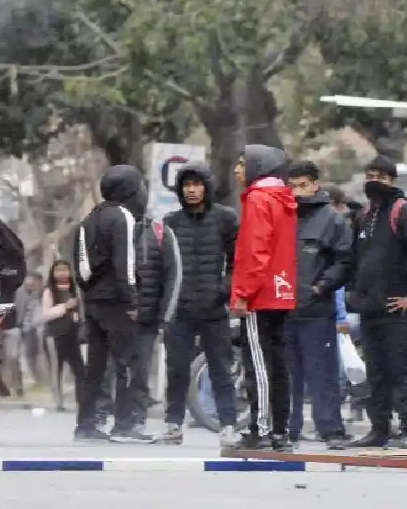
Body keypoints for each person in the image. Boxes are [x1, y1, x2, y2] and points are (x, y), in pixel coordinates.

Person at [346, 155, 407, 448]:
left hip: (399, 313)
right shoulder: (364, 217)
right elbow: (355, 261)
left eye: (382, 177)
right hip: (371, 311)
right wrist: (355, 294)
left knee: (404, 374)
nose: (374, 181)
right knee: (377, 376)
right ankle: (379, 430)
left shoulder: (405, 213)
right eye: (370, 174)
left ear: (393, 181)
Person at [158, 161, 240, 446]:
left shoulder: (226, 218)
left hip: (214, 308)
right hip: (179, 309)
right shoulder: (170, 222)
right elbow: (162, 267)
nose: (191, 190)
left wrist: (223, 290)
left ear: (207, 186)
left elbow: (237, 262)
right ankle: (173, 424)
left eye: (196, 184)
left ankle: (228, 425)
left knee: (221, 368)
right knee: (176, 369)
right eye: (186, 186)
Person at [230, 145, 298, 452]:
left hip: (261, 294)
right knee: (278, 362)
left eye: (242, 164)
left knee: (257, 362)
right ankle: (280, 430)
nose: (237, 171)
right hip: (281, 291)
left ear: (258, 167)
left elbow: (255, 252)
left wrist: (243, 294)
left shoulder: (259, 199)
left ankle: (260, 429)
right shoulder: (284, 199)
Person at [71, 164, 145, 442]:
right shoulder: (122, 216)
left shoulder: (89, 218)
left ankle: (85, 425)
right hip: (116, 302)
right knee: (126, 362)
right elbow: (124, 263)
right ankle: (124, 425)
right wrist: (132, 300)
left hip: (93, 302)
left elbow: (81, 267)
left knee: (95, 367)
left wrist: (90, 294)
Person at [283, 161, 352, 446]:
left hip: (316, 311)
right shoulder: (281, 216)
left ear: (315, 184)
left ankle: (331, 430)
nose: (297, 191)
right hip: (283, 311)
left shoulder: (332, 220)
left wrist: (322, 286)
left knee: (322, 375)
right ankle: (287, 428)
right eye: (292, 185)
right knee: (287, 377)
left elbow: (345, 260)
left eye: (302, 185)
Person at [122, 194, 181, 443]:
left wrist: (164, 317)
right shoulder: (113, 227)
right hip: (116, 317)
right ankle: (112, 419)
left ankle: (137, 419)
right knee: (114, 370)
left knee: (140, 371)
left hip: (147, 318)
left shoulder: (159, 232)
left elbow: (172, 275)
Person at [43, 259, 84, 411]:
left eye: (65, 269)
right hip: (54, 335)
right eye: (58, 270)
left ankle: (82, 400)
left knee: (79, 369)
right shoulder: (49, 291)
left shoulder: (75, 290)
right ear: (53, 273)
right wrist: (64, 307)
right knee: (56, 368)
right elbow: (45, 314)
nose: (62, 273)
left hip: (72, 335)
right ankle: (58, 402)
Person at [11, 273, 45, 395]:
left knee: (32, 355)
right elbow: (20, 311)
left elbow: (35, 312)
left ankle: (39, 378)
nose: (33, 285)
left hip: (31, 328)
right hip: (22, 328)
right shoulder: (21, 293)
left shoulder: (35, 294)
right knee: (25, 355)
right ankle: (32, 380)